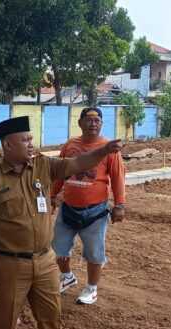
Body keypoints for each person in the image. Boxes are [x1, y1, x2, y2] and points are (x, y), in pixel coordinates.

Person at [0, 116, 123, 329]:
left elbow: (79, 163)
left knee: (51, 320)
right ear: (9, 145)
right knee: (6, 323)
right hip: (10, 265)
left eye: (31, 138)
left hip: (45, 262)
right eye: (25, 140)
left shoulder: (43, 165)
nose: (31, 143)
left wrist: (104, 151)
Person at [50, 107, 126, 305]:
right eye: (89, 119)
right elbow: (60, 171)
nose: (93, 123)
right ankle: (67, 276)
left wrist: (120, 204)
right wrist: (51, 195)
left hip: (95, 212)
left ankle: (91, 288)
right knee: (58, 248)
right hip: (68, 208)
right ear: (80, 122)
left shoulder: (109, 148)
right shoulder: (70, 145)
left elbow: (118, 177)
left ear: (101, 124)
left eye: (97, 120)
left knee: (94, 252)